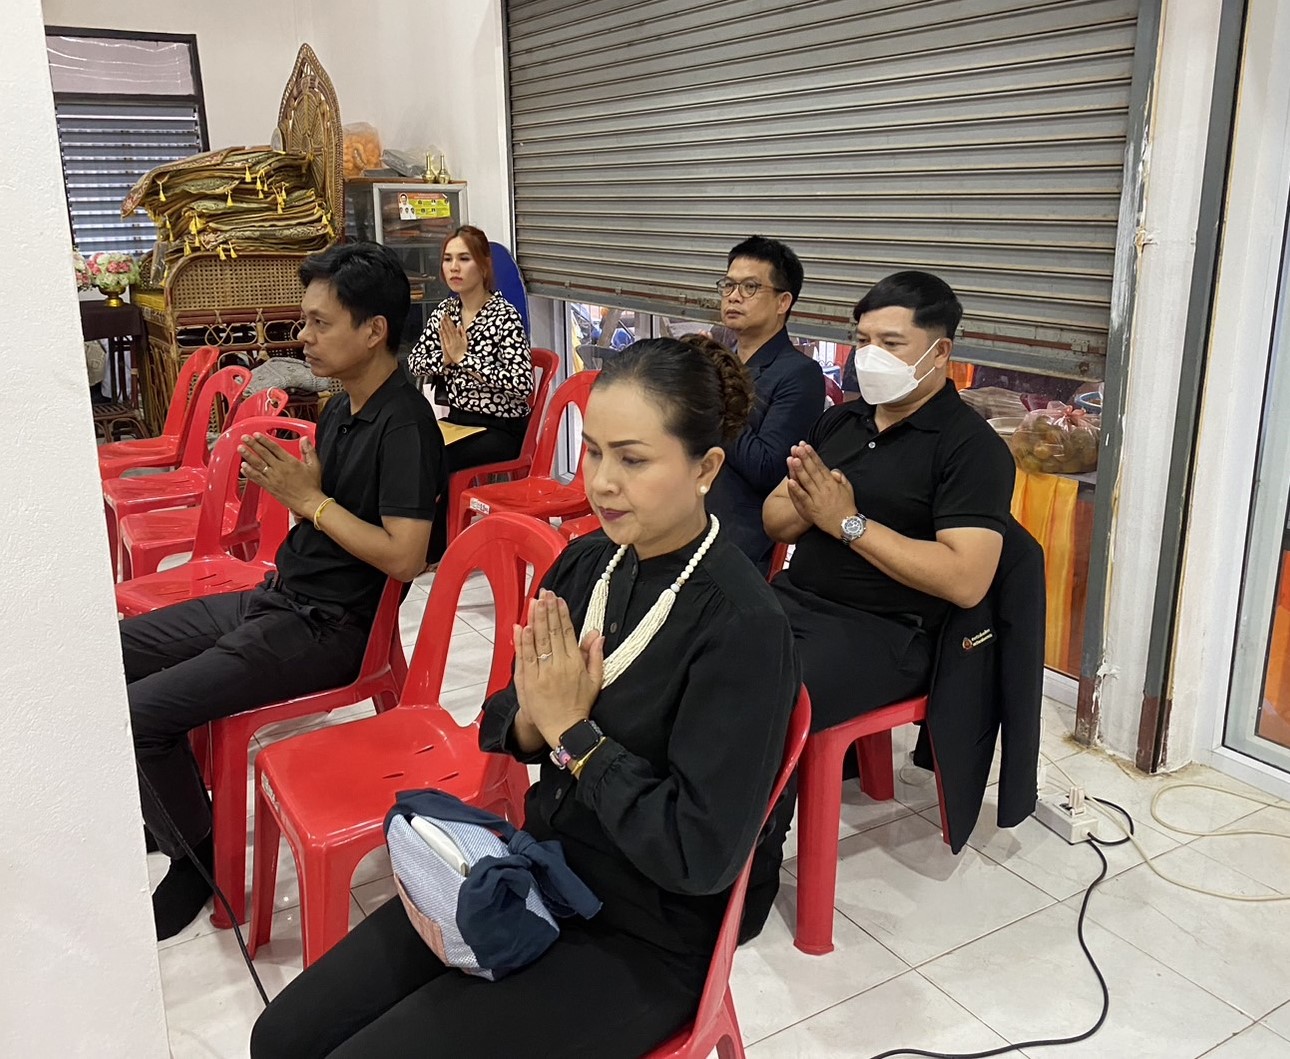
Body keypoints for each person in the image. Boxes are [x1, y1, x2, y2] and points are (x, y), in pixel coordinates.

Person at [251, 337, 799, 1059]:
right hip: (534, 866)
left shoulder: (743, 627)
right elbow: (504, 717)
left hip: (644, 933)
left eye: (633, 459)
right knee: (281, 1038)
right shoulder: (586, 563)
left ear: (705, 468)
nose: (602, 482)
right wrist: (539, 726)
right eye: (594, 452)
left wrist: (575, 732)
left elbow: (698, 853)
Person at [123, 242, 446, 940]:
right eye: (305, 321)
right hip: (282, 596)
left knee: (139, 713)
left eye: (319, 322)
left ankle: (199, 858)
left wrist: (310, 498)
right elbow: (320, 508)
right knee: (114, 651)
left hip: (333, 631)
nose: (304, 337)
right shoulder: (339, 409)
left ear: (374, 330)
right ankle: (179, 812)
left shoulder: (407, 425)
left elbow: (406, 557)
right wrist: (298, 493)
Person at [763, 270, 1015, 733]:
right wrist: (810, 504)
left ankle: (733, 805)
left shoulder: (972, 449)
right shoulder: (839, 423)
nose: (870, 357)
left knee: (752, 703)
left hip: (889, 632)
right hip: (793, 600)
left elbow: (966, 581)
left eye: (891, 344)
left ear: (940, 353)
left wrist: (847, 522)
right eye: (863, 341)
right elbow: (776, 522)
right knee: (685, 660)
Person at [407, 225, 533, 562]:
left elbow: (521, 384)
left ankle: (432, 550)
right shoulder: (445, 312)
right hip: (459, 422)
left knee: (436, 460)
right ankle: (417, 541)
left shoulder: (504, 316)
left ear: (483, 265)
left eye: (464, 259)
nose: (454, 267)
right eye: (448, 259)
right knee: (412, 450)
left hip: (500, 429)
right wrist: (445, 359)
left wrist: (466, 359)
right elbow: (417, 362)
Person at [707, 235, 824, 574]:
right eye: (728, 285)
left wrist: (714, 399)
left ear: (782, 301)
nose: (733, 296)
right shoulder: (724, 361)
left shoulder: (800, 374)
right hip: (687, 510)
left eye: (750, 288)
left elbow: (768, 469)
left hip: (737, 535)